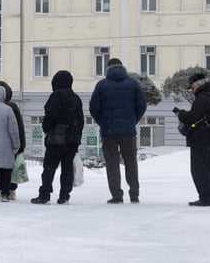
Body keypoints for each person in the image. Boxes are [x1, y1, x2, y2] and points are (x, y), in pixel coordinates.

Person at [89, 58, 147, 204]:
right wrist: (132, 120)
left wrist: (103, 123)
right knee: (131, 162)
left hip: (108, 132)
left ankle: (116, 195)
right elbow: (142, 105)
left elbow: (93, 108)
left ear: (108, 69)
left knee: (112, 163)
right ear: (122, 67)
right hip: (128, 131)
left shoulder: (102, 85)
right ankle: (134, 194)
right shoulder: (133, 84)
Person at [32, 70, 85, 205]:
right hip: (72, 140)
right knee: (67, 168)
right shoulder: (76, 98)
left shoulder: (56, 96)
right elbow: (81, 120)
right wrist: (76, 135)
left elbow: (50, 115)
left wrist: (46, 128)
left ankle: (45, 194)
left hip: (56, 139)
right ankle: (64, 195)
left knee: (49, 167)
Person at [174, 73, 210, 207]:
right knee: (208, 167)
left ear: (198, 84)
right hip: (209, 137)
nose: (191, 89)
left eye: (192, 86)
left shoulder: (203, 98)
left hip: (201, 138)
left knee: (199, 169)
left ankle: (205, 198)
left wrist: (181, 114)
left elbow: (193, 117)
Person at [0, 80, 25, 200]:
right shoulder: (12, 106)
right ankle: (10, 190)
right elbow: (20, 126)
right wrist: (21, 144)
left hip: (4, 142)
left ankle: (4, 190)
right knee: (11, 168)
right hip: (12, 142)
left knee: (2, 169)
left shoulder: (7, 107)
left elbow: (18, 125)